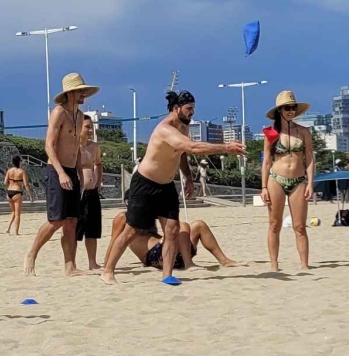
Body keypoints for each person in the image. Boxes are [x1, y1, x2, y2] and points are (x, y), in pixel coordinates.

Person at [102, 90, 244, 285]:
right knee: (131, 231)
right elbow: (192, 147)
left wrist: (188, 177)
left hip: (166, 186)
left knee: (172, 229)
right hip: (145, 184)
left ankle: (167, 275)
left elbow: (182, 152)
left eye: (193, 108)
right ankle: (108, 271)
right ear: (176, 108)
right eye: (189, 108)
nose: (192, 112)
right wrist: (226, 147)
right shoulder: (165, 129)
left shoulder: (183, 127)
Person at [23, 72, 96, 276]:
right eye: (80, 91)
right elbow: (49, 145)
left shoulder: (79, 116)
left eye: (84, 91)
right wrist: (61, 173)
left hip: (72, 170)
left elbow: (76, 148)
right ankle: (32, 254)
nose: (83, 95)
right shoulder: (59, 112)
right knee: (56, 220)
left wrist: (79, 173)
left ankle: (70, 266)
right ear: (70, 93)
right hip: (56, 170)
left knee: (72, 221)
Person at [261, 90, 316, 271]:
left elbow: (309, 158)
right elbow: (266, 161)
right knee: (274, 224)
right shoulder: (271, 133)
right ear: (280, 110)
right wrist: (263, 187)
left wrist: (310, 183)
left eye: (293, 107)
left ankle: (304, 265)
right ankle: (274, 264)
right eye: (287, 108)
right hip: (276, 179)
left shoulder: (304, 132)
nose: (291, 111)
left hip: (298, 180)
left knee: (299, 226)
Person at [107, 210, 236, 270]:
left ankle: (223, 260)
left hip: (173, 250)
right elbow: (113, 241)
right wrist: (107, 264)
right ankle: (188, 263)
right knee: (183, 226)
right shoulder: (124, 218)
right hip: (156, 257)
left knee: (199, 225)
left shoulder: (150, 214)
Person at [78, 116, 104, 269]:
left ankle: (92, 262)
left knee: (92, 229)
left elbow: (98, 164)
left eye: (91, 127)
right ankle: (71, 263)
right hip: (78, 193)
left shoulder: (94, 147)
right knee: (74, 228)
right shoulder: (73, 146)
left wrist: (98, 180)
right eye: (87, 127)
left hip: (92, 192)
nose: (90, 130)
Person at [2, 156, 31, 235]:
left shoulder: (9, 170)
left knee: (13, 212)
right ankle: (16, 231)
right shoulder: (22, 171)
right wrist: (31, 195)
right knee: (17, 214)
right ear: (19, 162)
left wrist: (11, 183)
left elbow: (5, 182)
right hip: (17, 192)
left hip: (9, 192)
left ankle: (8, 228)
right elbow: (26, 185)